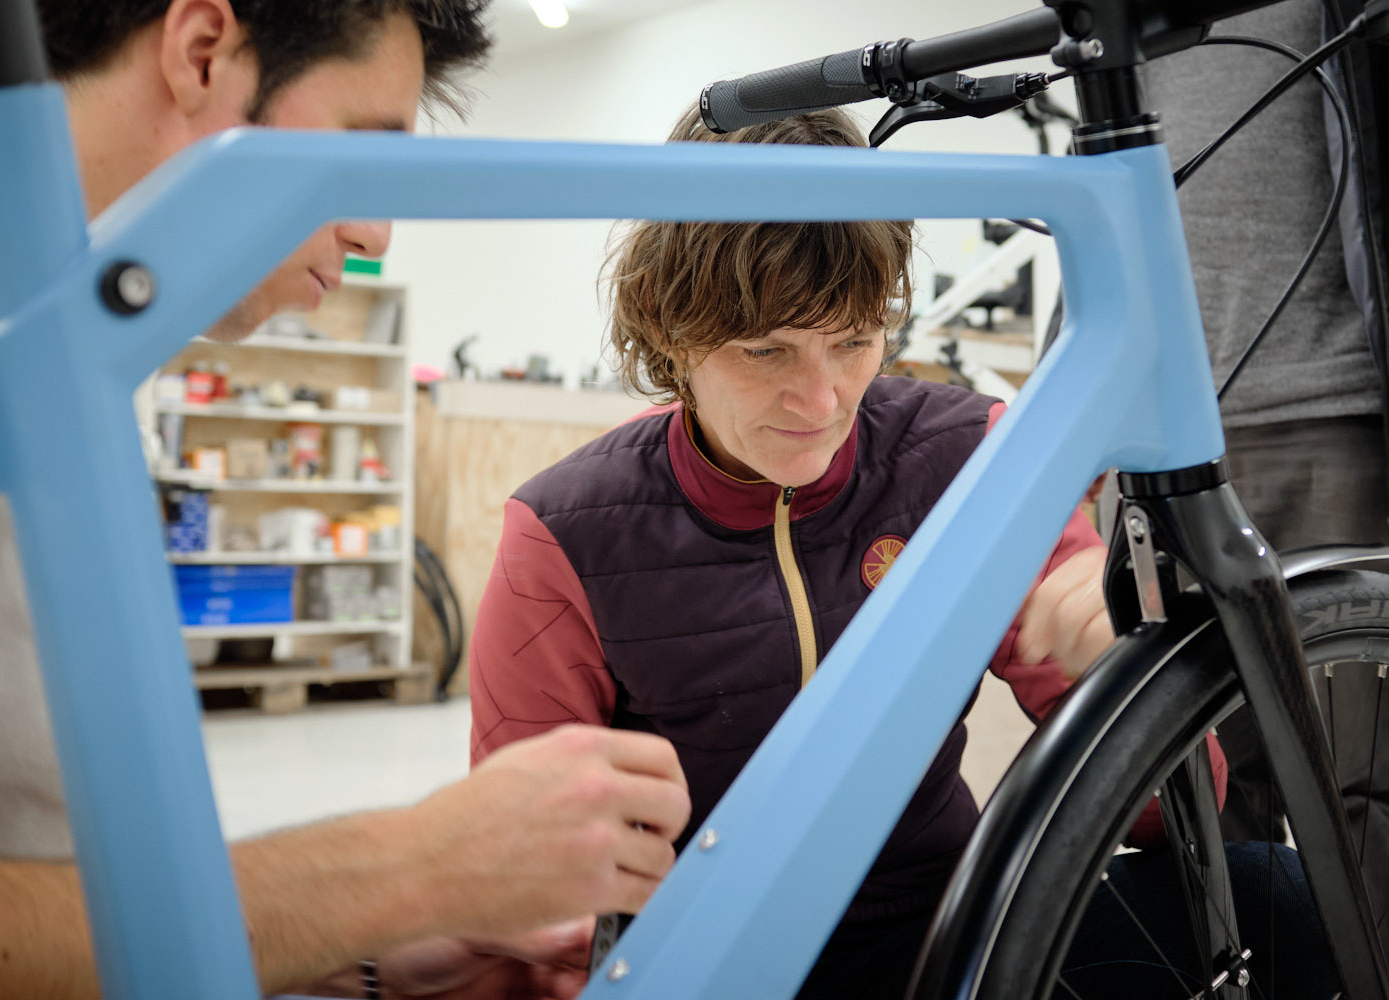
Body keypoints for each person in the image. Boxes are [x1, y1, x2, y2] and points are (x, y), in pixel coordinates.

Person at [0, 2, 690, 997]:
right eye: (362, 163)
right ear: (203, 51)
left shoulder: (71, 332)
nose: (373, 235)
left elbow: (32, 844)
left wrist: (354, 950)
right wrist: (409, 868)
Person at [468, 106, 1123, 997]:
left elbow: (1170, 809)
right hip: (708, 962)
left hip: (949, 931)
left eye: (853, 340)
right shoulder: (563, 534)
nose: (819, 399)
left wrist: (1116, 662)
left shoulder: (972, 456)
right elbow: (518, 884)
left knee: (1268, 893)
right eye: (763, 348)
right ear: (667, 325)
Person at [1144, 0, 1389, 896]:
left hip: (1329, 417)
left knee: (1354, 784)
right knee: (1205, 784)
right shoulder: (1135, 29)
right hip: (1165, 448)